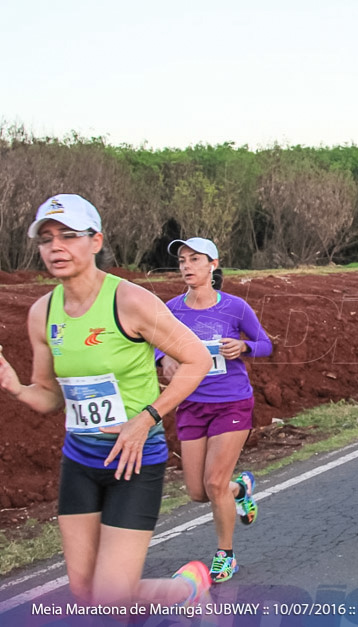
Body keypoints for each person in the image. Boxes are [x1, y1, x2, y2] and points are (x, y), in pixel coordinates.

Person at [0, 194, 214, 608]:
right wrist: (16, 388)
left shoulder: (129, 301)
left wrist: (146, 418)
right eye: (46, 239)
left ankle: (187, 589)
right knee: (86, 595)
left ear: (95, 241)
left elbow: (197, 359)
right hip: (80, 462)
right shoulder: (42, 313)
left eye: (69, 235)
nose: (56, 247)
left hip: (134, 461)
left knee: (111, 598)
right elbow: (49, 397)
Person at [159, 237, 273, 583]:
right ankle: (241, 488)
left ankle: (226, 554)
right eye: (182, 260)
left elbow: (266, 344)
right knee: (198, 492)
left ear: (213, 264)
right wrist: (163, 358)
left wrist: (244, 346)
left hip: (232, 402)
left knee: (213, 481)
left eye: (195, 259)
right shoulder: (171, 309)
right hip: (192, 405)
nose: (187, 266)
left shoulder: (235, 307)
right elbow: (153, 342)